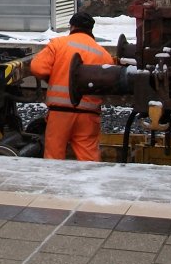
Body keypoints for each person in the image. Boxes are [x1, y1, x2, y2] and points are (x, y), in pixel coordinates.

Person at [30, 11, 114, 161]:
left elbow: (37, 68)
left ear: (72, 26)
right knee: (89, 159)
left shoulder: (59, 44)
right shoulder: (104, 55)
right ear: (90, 30)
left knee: (53, 158)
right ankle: (91, 183)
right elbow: (109, 84)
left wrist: (52, 78)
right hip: (89, 114)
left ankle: (54, 183)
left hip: (60, 113)